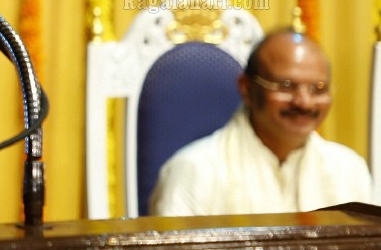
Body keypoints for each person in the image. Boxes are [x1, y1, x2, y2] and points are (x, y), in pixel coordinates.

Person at [149, 29, 372, 217]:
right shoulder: (195, 170)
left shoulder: (349, 169)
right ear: (246, 88)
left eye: (318, 89)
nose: (304, 102)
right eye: (286, 86)